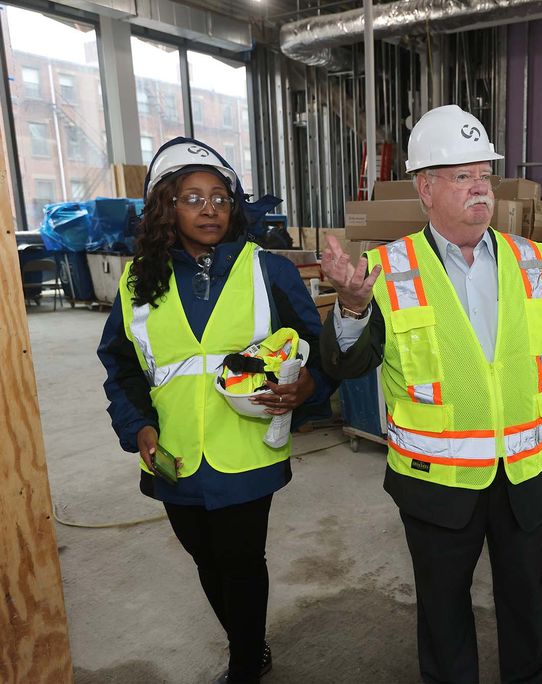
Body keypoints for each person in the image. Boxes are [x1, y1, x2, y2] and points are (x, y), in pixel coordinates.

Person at [318, 104, 542, 683]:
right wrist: (350, 307)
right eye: (462, 177)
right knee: (443, 612)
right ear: (425, 189)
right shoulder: (385, 270)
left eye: (484, 176)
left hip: (524, 473)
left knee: (527, 603)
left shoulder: (534, 260)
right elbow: (347, 364)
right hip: (435, 483)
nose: (480, 191)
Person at [97, 137, 333, 683]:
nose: (210, 209)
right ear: (166, 208)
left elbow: (313, 348)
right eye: (192, 198)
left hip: (246, 451)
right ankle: (247, 642)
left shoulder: (268, 270)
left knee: (243, 563)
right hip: (173, 452)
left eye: (220, 198)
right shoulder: (138, 280)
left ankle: (246, 662)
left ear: (235, 205)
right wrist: (138, 427)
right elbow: (122, 363)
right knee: (206, 560)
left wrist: (309, 389)